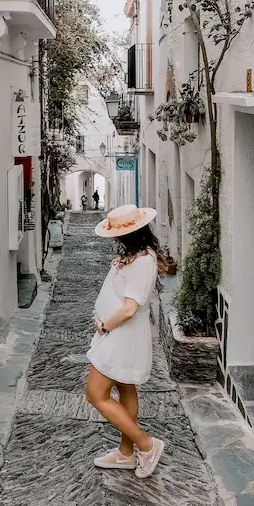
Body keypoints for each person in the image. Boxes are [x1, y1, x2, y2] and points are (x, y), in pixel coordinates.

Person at [86, 204, 168, 479]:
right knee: (125, 389)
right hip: (120, 334)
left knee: (96, 394)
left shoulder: (143, 261)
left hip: (121, 335)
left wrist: (106, 325)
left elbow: (130, 307)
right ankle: (126, 453)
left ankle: (146, 445)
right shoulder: (136, 256)